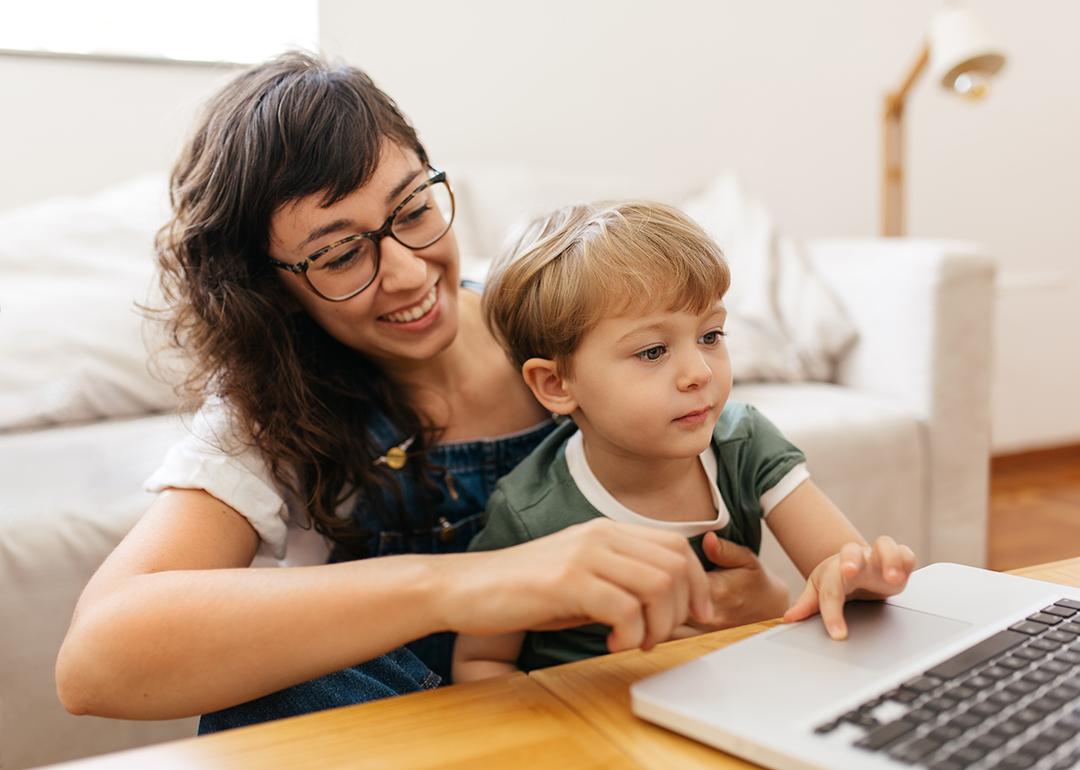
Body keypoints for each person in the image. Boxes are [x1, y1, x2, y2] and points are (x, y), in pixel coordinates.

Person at [54, 53, 792, 733]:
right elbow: (95, 661)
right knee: (272, 693)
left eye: (412, 210)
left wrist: (753, 611)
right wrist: (467, 584)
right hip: (417, 727)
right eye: (340, 254)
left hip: (600, 706)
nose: (408, 273)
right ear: (268, 290)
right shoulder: (268, 416)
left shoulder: (563, 339)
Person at [452, 202, 917, 681]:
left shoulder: (744, 441)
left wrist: (858, 577)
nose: (699, 372)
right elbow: (482, 660)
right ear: (556, 385)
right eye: (653, 351)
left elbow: (838, 564)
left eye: (711, 335)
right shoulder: (529, 512)